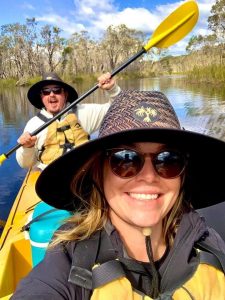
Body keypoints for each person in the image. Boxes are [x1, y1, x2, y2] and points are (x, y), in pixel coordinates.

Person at [12, 90, 225, 299]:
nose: (149, 177)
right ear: (98, 173)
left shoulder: (207, 240)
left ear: (182, 174)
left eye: (168, 160)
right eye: (125, 159)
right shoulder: (68, 261)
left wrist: (112, 88)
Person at [16, 72, 121, 170]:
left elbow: (118, 110)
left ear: (65, 94)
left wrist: (112, 89)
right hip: (49, 176)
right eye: (46, 91)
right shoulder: (33, 124)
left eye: (57, 90)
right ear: (41, 97)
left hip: (84, 173)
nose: (52, 94)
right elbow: (24, 164)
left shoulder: (83, 112)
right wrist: (27, 147)